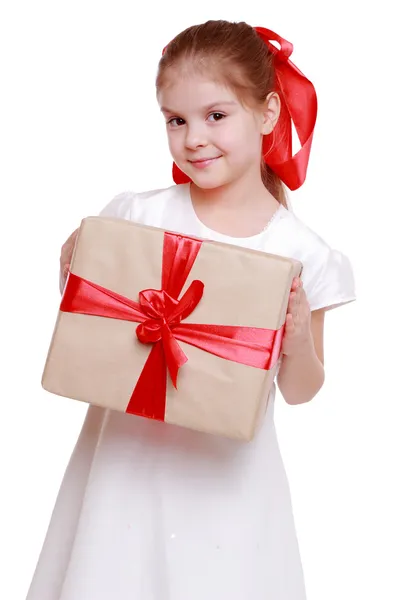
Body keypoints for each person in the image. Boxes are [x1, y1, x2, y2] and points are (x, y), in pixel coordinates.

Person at [27, 20, 356, 600]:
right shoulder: (139, 216)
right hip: (125, 473)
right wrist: (72, 267)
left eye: (216, 115)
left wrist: (298, 335)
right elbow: (97, 330)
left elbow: (303, 390)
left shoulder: (301, 252)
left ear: (269, 113)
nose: (194, 138)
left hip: (228, 491)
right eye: (176, 120)